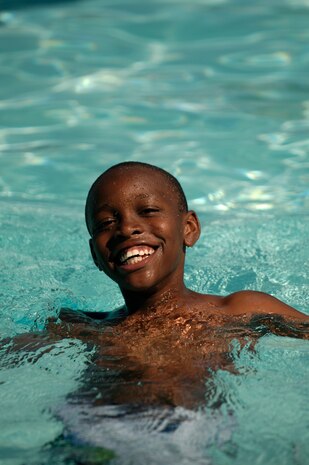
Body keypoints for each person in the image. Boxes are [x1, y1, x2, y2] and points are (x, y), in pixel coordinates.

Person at [75, 160, 307, 323]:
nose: (126, 229)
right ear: (95, 255)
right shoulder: (82, 327)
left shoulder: (240, 310)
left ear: (189, 229)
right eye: (106, 223)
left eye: (147, 210)